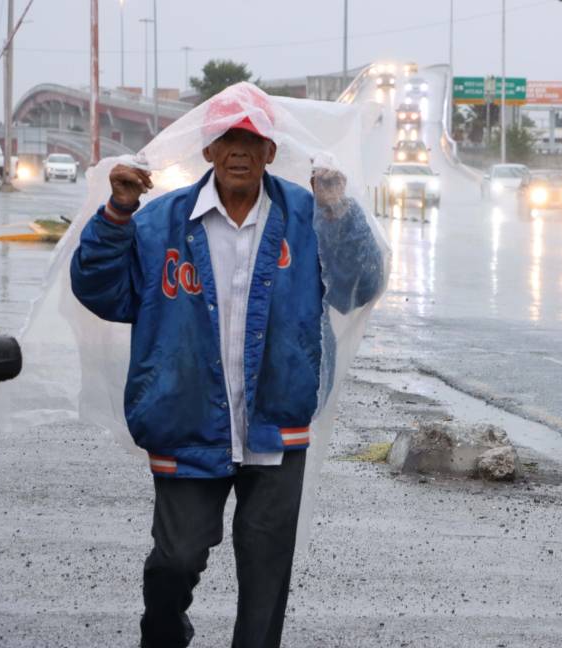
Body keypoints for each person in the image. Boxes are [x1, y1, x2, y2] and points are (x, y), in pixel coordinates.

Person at [69, 84, 384, 648]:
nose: (238, 149)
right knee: (176, 557)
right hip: (185, 422)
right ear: (208, 150)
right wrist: (116, 211)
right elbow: (102, 292)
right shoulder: (158, 222)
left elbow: (358, 286)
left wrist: (339, 207)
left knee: (265, 578)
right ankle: (163, 628)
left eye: (251, 138)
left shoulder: (307, 216)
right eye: (226, 138)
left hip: (275, 423)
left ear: (270, 150)